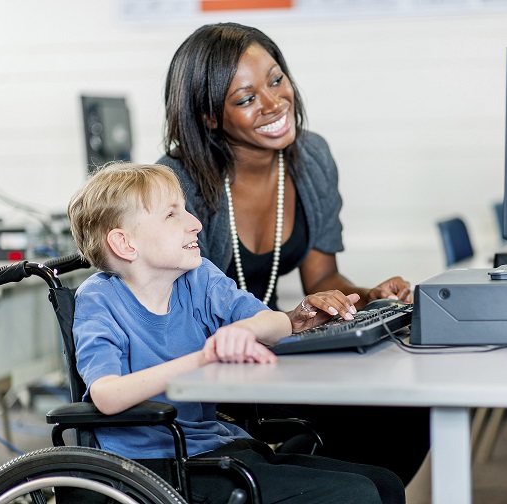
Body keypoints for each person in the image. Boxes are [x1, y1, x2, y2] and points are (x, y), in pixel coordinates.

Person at [158, 22, 429, 485]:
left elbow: (321, 275)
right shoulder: (178, 184)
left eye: (276, 79)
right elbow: (178, 315)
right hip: (210, 367)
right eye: (245, 99)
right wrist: (286, 321)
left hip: (272, 350)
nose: (273, 103)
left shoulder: (311, 157)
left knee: (406, 409)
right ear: (209, 117)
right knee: (375, 416)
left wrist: (364, 297)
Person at [67, 162, 405, 504]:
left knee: (385, 484)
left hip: (213, 446)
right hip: (150, 468)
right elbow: (107, 395)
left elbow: (273, 322)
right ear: (125, 244)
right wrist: (205, 357)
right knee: (358, 495)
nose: (195, 223)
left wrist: (248, 329)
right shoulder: (100, 300)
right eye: (173, 215)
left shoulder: (197, 277)